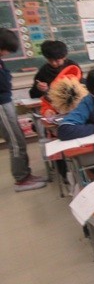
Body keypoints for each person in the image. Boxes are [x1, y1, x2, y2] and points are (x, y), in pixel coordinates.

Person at [0, 28, 48, 192]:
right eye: (6, 50)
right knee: (16, 142)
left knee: (19, 139)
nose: (6, 54)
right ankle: (21, 180)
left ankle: (26, 175)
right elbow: (4, 83)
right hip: (1, 105)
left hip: (6, 102)